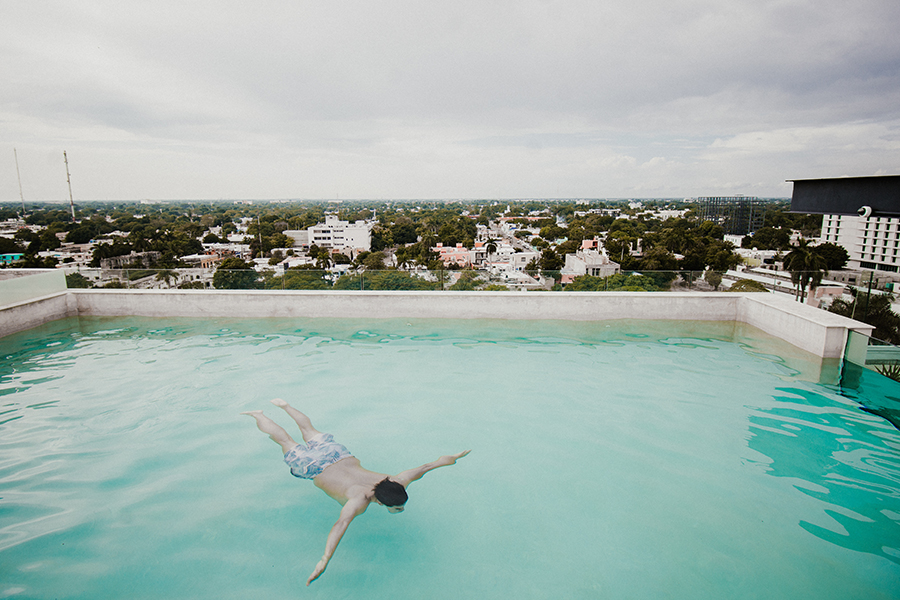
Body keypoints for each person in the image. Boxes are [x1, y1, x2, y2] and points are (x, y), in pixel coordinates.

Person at [242, 398, 470, 585]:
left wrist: (454, 459)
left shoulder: (397, 480)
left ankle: (284, 406)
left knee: (307, 429)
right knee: (283, 439)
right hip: (313, 467)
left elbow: (428, 466)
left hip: (336, 454)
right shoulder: (358, 501)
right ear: (380, 503)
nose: (399, 508)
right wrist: (325, 559)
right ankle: (259, 415)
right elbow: (340, 525)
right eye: (397, 507)